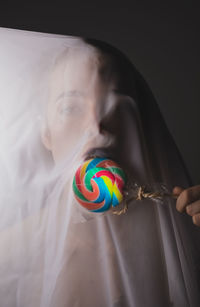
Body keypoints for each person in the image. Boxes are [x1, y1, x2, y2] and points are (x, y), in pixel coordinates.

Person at [0, 28, 199, 307]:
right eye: (70, 108)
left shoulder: (182, 234)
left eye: (115, 108)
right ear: (46, 132)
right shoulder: (8, 255)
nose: (97, 129)